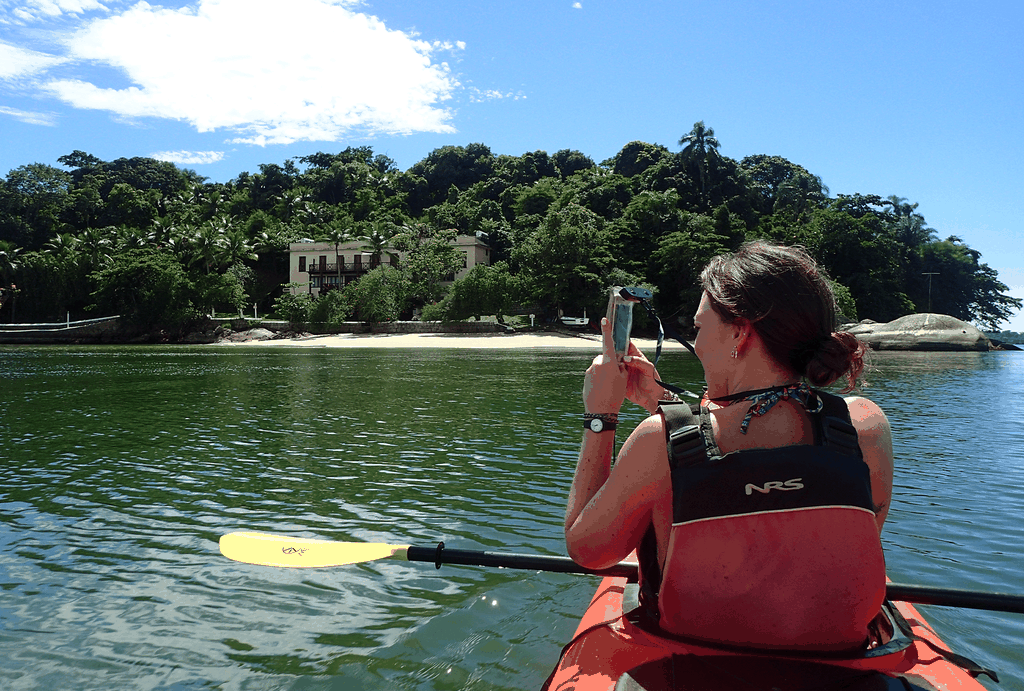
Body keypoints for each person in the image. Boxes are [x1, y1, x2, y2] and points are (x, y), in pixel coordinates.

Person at [564, 240, 894, 652]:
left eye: (700, 328)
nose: (697, 342)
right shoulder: (864, 425)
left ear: (740, 331)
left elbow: (589, 551)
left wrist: (601, 415)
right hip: (833, 662)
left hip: (695, 662)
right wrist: (665, 406)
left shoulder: (656, 441)